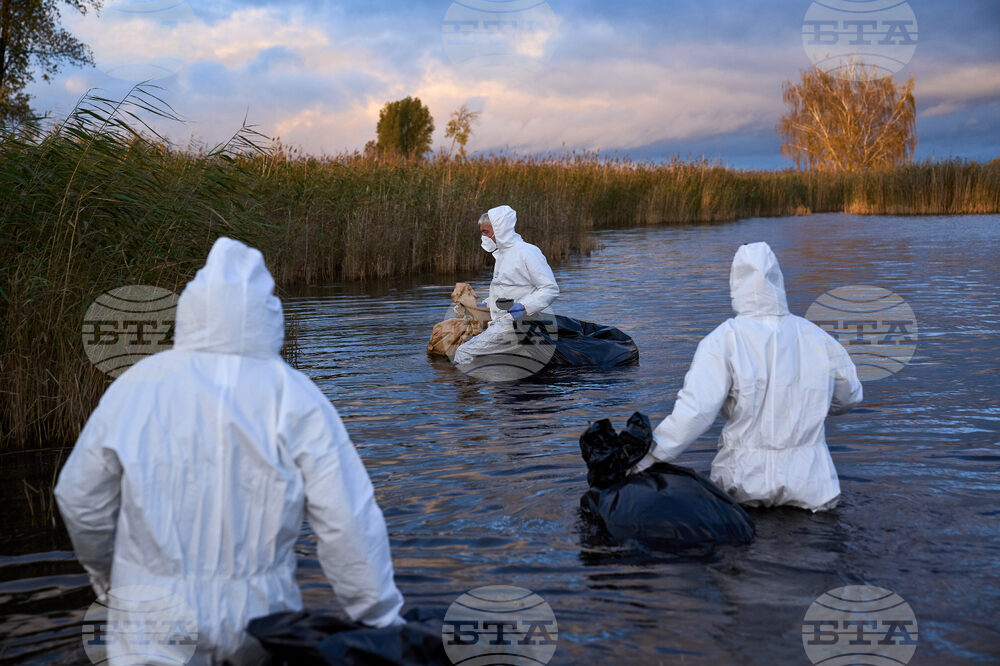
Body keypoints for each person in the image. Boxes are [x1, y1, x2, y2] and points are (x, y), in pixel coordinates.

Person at [54, 237, 404, 664]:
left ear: (192, 309)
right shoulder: (295, 395)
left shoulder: (136, 388)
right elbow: (347, 519)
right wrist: (381, 620)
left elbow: (78, 497)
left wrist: (108, 577)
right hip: (261, 618)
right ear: (267, 313)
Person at [629, 242, 863, 512]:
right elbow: (850, 397)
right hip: (813, 483)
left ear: (736, 283)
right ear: (778, 281)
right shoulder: (818, 338)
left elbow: (696, 412)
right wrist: (812, 403)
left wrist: (646, 458)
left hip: (744, 481)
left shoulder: (724, 340)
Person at [452, 205, 560, 367]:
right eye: (482, 232)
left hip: (518, 323)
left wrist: (524, 306)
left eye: (486, 232)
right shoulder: (502, 254)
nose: (483, 236)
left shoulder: (527, 252)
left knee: (463, 352)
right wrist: (484, 304)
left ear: (500, 230)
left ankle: (466, 387)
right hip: (503, 322)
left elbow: (550, 289)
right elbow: (507, 290)